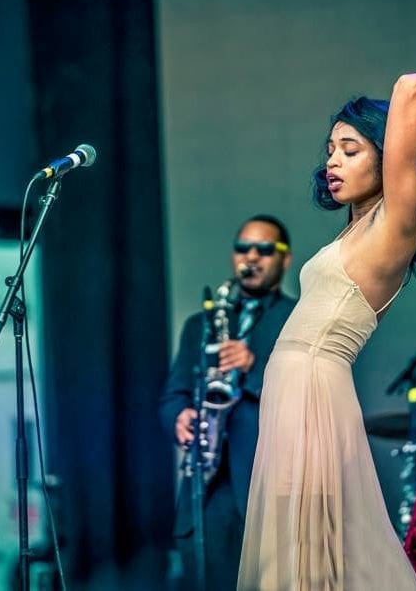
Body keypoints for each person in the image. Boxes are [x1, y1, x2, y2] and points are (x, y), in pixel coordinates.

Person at [238, 72, 416, 590]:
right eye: (330, 150)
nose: (332, 162)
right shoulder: (359, 225)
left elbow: (411, 91)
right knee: (297, 546)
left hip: (312, 386)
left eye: (350, 150)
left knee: (309, 547)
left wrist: (410, 130)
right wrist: (412, 130)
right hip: (294, 387)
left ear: (388, 158)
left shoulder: (395, 220)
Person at [159, 215, 296, 591]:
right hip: (207, 490)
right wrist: (179, 417)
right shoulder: (200, 324)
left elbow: (312, 397)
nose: (251, 257)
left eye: (264, 249)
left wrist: (254, 367)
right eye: (242, 248)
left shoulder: (298, 320)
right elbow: (173, 395)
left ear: (285, 259)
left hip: (269, 488)